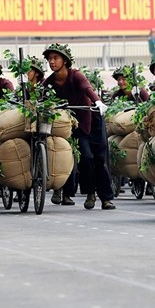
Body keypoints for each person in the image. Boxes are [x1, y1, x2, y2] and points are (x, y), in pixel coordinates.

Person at [41, 43, 115, 210]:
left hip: (92, 119)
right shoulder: (50, 82)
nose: (52, 62)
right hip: (74, 124)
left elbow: (87, 88)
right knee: (86, 158)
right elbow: (42, 97)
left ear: (65, 61)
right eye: (49, 59)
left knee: (100, 159)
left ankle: (106, 198)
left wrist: (97, 102)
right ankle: (90, 193)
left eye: (55, 58)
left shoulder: (76, 76)